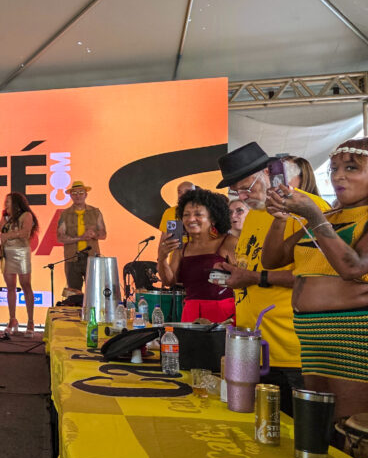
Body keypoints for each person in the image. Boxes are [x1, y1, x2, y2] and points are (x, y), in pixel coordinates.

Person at [213, 143, 330, 415]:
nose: (242, 195)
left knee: (296, 436)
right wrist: (234, 272)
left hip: (293, 348)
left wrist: (253, 277)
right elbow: (251, 263)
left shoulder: (307, 207)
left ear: (270, 172)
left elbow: (316, 276)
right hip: (253, 345)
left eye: (247, 186)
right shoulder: (254, 214)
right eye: (236, 191)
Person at [263, 138, 368, 418]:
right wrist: (281, 218)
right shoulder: (328, 218)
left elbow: (354, 268)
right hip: (311, 338)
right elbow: (273, 259)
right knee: (319, 428)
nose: (339, 176)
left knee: (350, 426)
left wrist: (312, 213)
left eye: (351, 168)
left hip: (352, 336)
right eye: (333, 169)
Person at [157, 189, 237, 322]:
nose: (191, 219)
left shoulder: (229, 242)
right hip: (190, 314)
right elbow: (168, 282)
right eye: (186, 215)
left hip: (223, 315)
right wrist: (162, 258)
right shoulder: (181, 249)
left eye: (198, 214)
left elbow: (243, 280)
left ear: (213, 219)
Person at [0, 192, 38, 337]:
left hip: (21, 252)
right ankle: (12, 319)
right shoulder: (6, 218)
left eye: (8, 201)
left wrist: (7, 236)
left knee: (26, 285)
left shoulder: (26, 215)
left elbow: (25, 233)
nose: (6, 204)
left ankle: (31, 321)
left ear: (16, 203)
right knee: (10, 287)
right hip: (7, 253)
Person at [56, 180, 107, 291]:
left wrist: (94, 235)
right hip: (72, 258)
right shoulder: (65, 214)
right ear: (70, 196)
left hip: (92, 257)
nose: (77, 195)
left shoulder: (95, 212)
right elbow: (60, 237)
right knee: (74, 292)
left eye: (80, 192)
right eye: (74, 193)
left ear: (86, 195)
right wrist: (80, 238)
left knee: (95, 290)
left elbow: (103, 234)